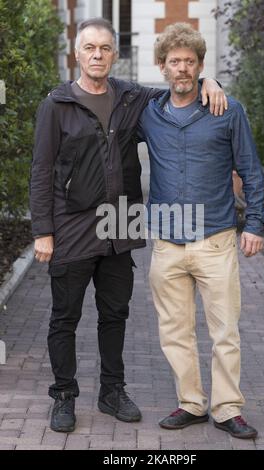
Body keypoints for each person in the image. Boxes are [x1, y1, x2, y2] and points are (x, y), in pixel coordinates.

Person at [30, 17, 226, 433]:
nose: (97, 55)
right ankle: (64, 394)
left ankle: (112, 391)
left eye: (104, 48)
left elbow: (180, 87)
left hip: (121, 223)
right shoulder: (57, 105)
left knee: (114, 313)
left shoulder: (131, 98)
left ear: (114, 55)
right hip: (72, 225)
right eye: (89, 48)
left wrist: (210, 81)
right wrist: (42, 230)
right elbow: (41, 170)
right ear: (77, 54)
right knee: (65, 316)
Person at [138, 23, 264, 439]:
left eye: (189, 62)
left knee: (225, 331)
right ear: (162, 66)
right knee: (175, 331)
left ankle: (228, 408)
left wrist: (256, 224)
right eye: (174, 61)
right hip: (167, 246)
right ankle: (191, 403)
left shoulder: (227, 110)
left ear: (199, 66)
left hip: (215, 241)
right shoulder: (149, 113)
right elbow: (112, 89)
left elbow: (250, 170)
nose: (181, 69)